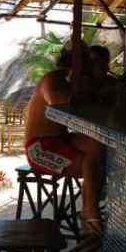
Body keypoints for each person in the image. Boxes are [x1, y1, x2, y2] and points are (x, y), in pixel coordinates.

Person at [25, 46, 104, 234]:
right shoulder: (52, 79)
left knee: (98, 147)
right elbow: (55, 100)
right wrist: (88, 90)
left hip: (61, 139)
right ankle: (90, 215)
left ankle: (87, 210)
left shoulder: (70, 82)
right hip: (39, 148)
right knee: (92, 164)